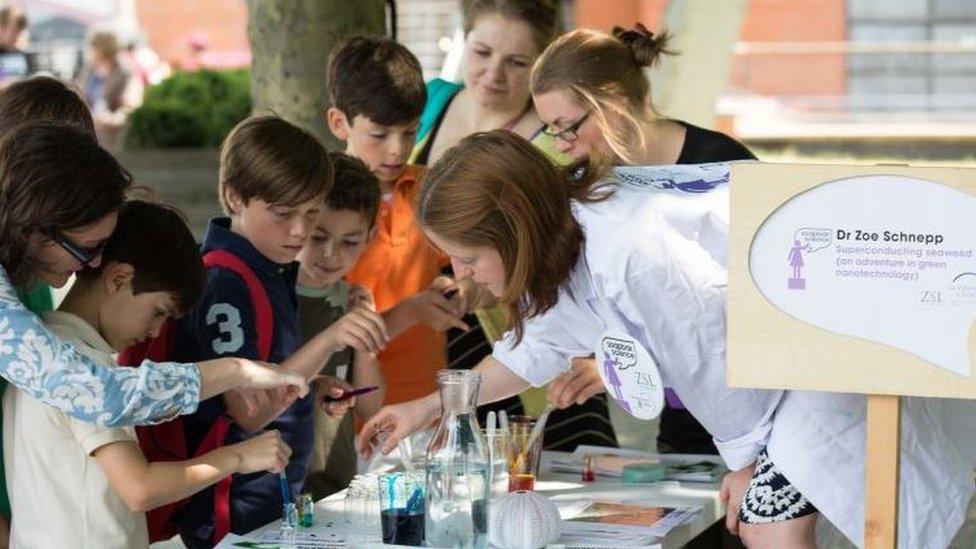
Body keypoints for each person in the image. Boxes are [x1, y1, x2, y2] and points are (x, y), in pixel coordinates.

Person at [359, 130, 976, 549]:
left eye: (468, 259)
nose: (460, 276)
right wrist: (428, 406)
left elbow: (712, 361)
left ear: (513, 230)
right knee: (768, 521)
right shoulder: (561, 233)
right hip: (781, 358)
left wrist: (746, 461)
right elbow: (532, 354)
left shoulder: (629, 252)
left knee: (768, 524)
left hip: (819, 346)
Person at [4, 200, 293, 549]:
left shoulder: (42, 352)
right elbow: (139, 488)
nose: (155, 332)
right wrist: (239, 457)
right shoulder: (83, 368)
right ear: (120, 279)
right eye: (158, 312)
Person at [531, 25, 756, 466]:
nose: (561, 145)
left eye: (568, 127)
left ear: (611, 103)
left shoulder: (722, 165)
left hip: (752, 408)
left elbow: (739, 308)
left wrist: (624, 364)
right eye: (550, 130)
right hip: (681, 420)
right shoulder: (586, 183)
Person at [172, 115, 388, 547]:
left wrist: (315, 381)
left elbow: (277, 371)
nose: (299, 231)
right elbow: (247, 410)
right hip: (234, 509)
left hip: (272, 501)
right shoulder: (224, 282)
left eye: (310, 213)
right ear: (235, 198)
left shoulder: (269, 269)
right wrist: (332, 337)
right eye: (283, 213)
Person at [327, 36, 476, 407]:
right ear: (339, 123)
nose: (397, 149)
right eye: (379, 134)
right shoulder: (319, 202)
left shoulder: (431, 188)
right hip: (349, 414)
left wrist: (460, 290)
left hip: (427, 405)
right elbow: (322, 330)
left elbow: (469, 267)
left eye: (410, 132)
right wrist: (409, 312)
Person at [296, 153, 387, 499]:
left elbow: (369, 407)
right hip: (279, 492)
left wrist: (365, 342)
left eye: (350, 242)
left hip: (334, 484)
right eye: (318, 237)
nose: (331, 254)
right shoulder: (275, 296)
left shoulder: (352, 298)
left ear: (370, 236)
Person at [75, 30, 144, 149]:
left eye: (92, 48)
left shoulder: (125, 73)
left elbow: (132, 106)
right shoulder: (88, 71)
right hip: (88, 134)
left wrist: (115, 118)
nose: (89, 52)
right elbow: (78, 94)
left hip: (113, 136)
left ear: (101, 49)